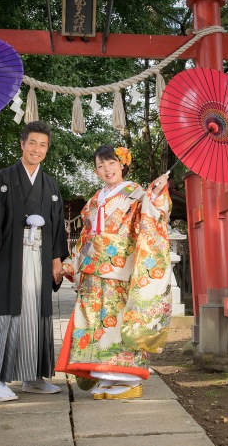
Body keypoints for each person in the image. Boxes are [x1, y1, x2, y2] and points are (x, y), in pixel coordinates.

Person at [55, 145, 172, 400]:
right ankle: (107, 376)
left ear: (122, 164)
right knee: (96, 325)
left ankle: (130, 379)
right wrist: (72, 264)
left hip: (121, 269)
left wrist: (159, 193)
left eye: (111, 163)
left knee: (118, 323)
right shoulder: (95, 200)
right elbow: (86, 237)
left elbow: (154, 214)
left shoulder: (137, 193)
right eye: (100, 166)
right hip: (92, 271)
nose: (106, 169)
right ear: (96, 171)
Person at [0, 121, 69, 402]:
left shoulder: (49, 183)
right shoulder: (3, 177)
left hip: (40, 257)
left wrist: (55, 260)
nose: (37, 149)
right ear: (22, 144)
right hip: (11, 256)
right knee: (6, 313)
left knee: (36, 315)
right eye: (32, 143)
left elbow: (56, 225)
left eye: (43, 145)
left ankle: (33, 376)